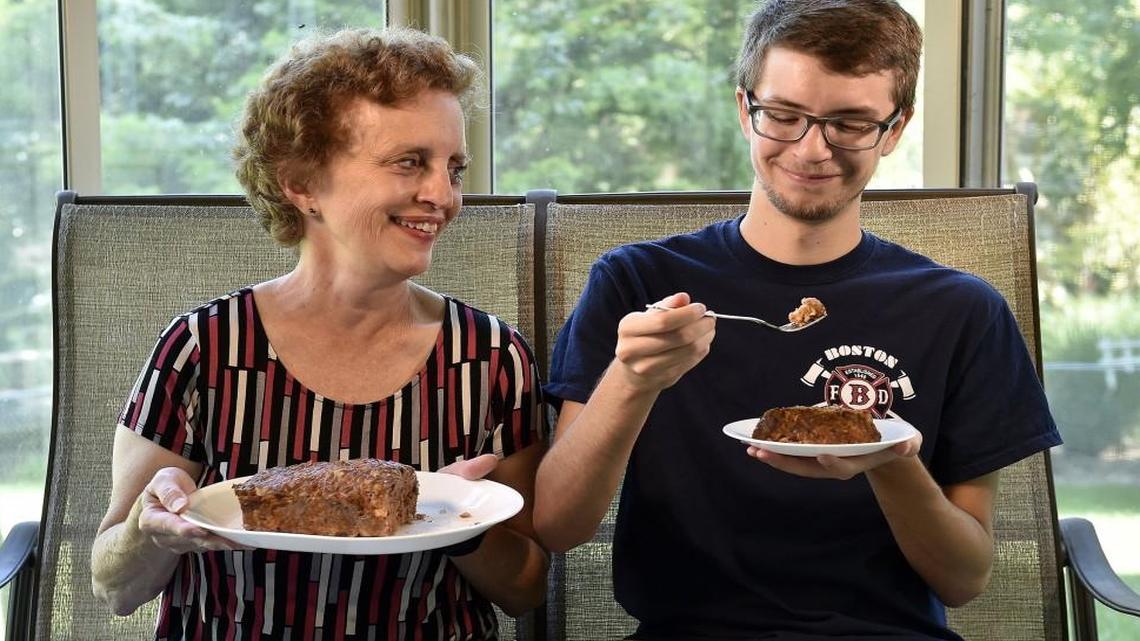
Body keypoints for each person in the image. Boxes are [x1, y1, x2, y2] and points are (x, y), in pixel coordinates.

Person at [534, 1, 1061, 639]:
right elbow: (558, 526)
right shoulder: (636, 284)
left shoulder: (962, 311)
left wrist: (890, 462)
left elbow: (964, 578)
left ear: (894, 130)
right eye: (784, 116)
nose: (813, 150)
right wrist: (632, 380)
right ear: (744, 110)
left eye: (850, 123)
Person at [91, 27, 548, 641]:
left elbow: (524, 590)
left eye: (454, 168)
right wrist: (153, 530)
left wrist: (460, 523)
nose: (443, 195)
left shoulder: (493, 357)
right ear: (301, 182)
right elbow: (114, 586)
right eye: (410, 162)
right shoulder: (203, 347)